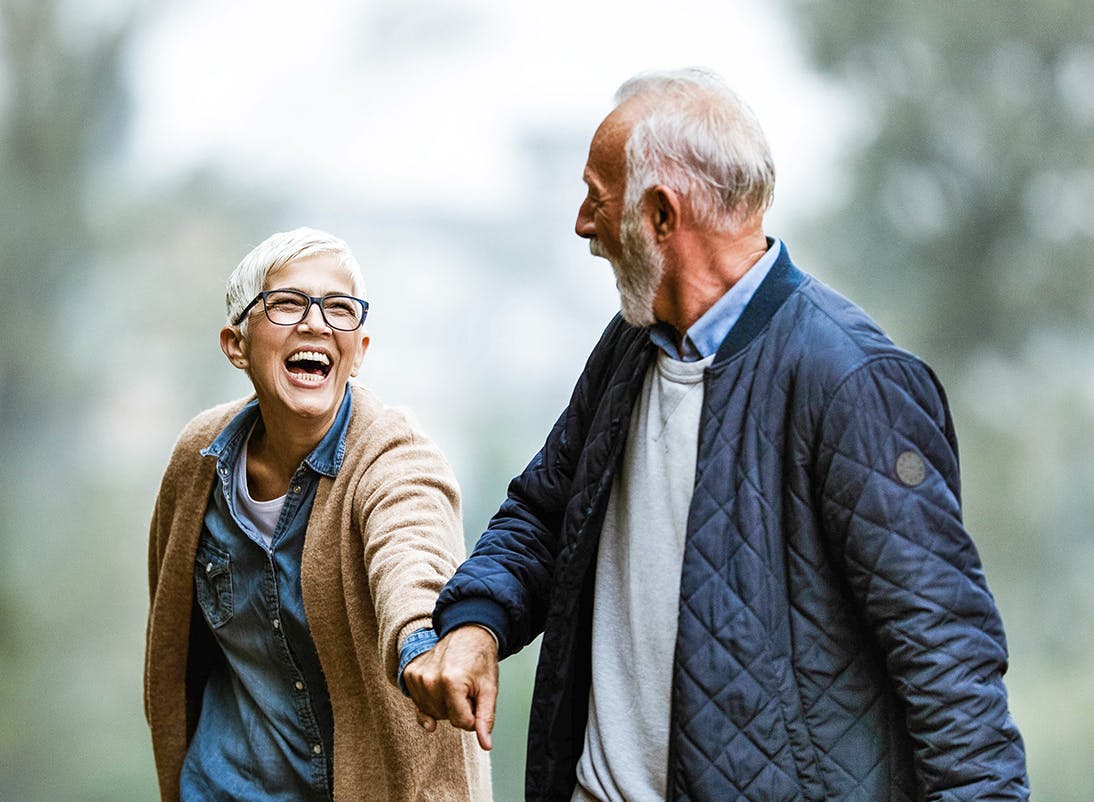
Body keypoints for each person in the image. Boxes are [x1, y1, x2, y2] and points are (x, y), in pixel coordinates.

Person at [402, 69, 1029, 800]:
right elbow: (545, 514)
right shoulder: (629, 347)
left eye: (597, 199)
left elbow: (948, 668)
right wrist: (478, 624)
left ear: (662, 215)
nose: (582, 224)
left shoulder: (854, 382)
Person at [144, 227, 491, 801]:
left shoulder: (394, 455)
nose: (315, 323)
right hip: (222, 786)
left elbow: (412, 550)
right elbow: (172, 641)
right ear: (236, 344)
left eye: (338, 308)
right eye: (286, 303)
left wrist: (421, 644)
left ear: (358, 352)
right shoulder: (197, 459)